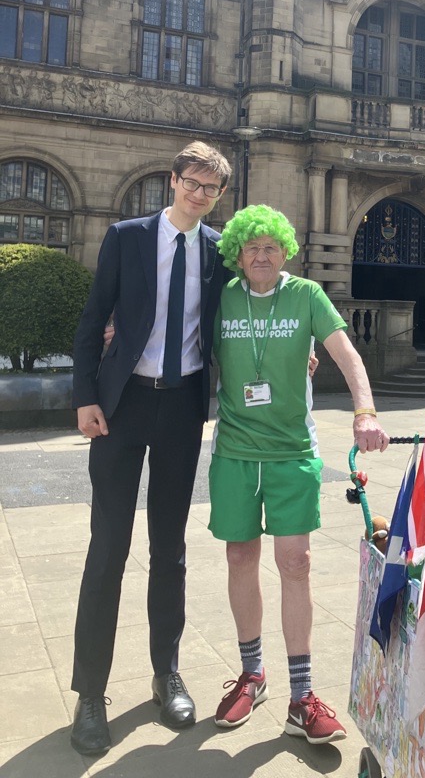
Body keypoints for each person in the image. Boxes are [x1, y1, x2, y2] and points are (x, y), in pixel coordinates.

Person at [69, 141, 232, 755]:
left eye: (211, 189)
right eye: (192, 182)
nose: (199, 194)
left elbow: (250, 309)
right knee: (108, 546)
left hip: (182, 407)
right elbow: (93, 319)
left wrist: (302, 350)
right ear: (173, 180)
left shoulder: (219, 251)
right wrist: (85, 394)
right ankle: (91, 692)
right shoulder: (127, 236)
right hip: (122, 403)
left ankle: (166, 674)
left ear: (219, 196)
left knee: (171, 547)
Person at [209, 204, 389, 744]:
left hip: (292, 453)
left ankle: (302, 696)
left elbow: (348, 355)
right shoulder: (221, 298)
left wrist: (365, 411)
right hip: (235, 452)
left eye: (271, 247)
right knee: (239, 555)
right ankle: (252, 675)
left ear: (286, 251)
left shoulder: (307, 295)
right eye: (252, 247)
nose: (261, 255)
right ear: (237, 254)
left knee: (296, 563)